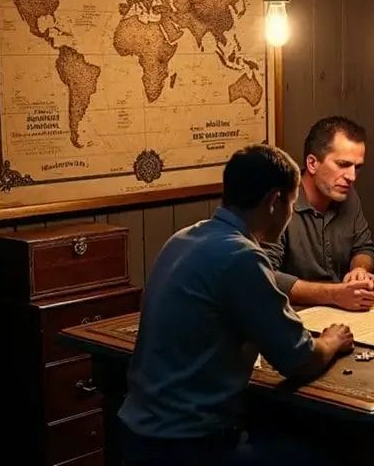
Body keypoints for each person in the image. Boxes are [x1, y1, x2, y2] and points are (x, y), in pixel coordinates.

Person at [117, 144, 353, 466]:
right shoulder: (241, 256)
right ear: (274, 201)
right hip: (190, 445)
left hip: (138, 434)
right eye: (291, 203)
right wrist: (331, 340)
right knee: (333, 451)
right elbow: (298, 360)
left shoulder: (183, 238)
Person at [262, 116, 374, 311]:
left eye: (357, 167)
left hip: (343, 313)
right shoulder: (277, 204)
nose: (351, 177)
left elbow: (364, 248)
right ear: (312, 164)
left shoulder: (347, 194)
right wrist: (334, 294)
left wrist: (359, 269)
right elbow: (263, 275)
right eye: (343, 164)